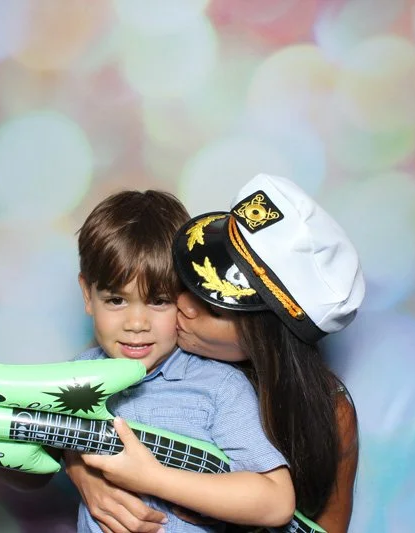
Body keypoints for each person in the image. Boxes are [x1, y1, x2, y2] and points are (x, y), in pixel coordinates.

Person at [0, 189, 297, 533]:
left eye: (158, 301)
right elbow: (37, 469)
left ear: (187, 297)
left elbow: (276, 502)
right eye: (116, 301)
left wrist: (153, 478)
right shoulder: (72, 380)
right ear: (87, 295)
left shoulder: (218, 386)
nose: (136, 324)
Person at [65, 174, 364, 533]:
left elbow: (292, 511)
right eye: (192, 281)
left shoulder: (324, 411)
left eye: (214, 306)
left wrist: (155, 480)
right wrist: (83, 471)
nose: (183, 305)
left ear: (266, 337)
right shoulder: (133, 357)